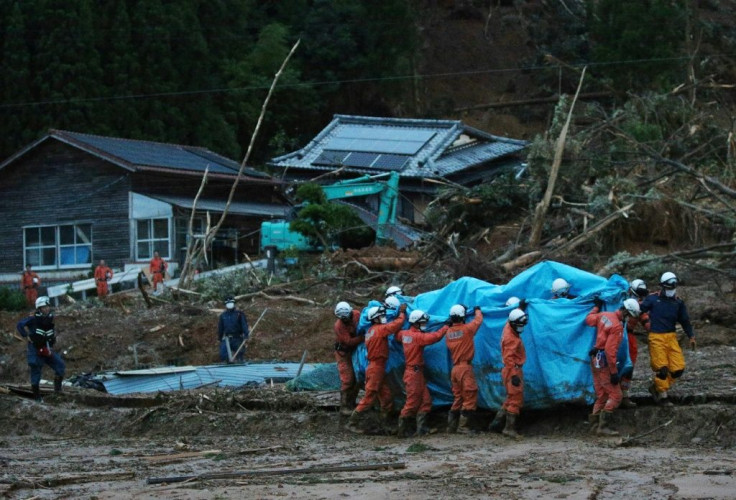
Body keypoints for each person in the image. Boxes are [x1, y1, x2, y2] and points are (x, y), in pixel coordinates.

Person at [347, 303, 407, 434]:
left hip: (377, 367)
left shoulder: (370, 331)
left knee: (386, 396)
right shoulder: (379, 330)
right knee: (370, 396)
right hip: (376, 367)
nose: (384, 317)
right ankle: (352, 422)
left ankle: (384, 424)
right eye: (381, 316)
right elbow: (395, 325)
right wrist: (402, 313)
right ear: (375, 318)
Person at [584, 297, 641, 436]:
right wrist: (614, 373)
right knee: (616, 395)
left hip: (595, 359)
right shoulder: (617, 327)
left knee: (602, 395)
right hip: (604, 362)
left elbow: (589, 319)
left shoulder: (605, 315)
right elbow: (610, 352)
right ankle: (603, 427)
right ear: (627, 313)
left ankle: (594, 426)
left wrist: (596, 307)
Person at [640, 272, 696, 407]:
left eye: (674, 287)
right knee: (662, 368)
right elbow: (638, 309)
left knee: (678, 369)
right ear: (663, 286)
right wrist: (644, 320)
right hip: (656, 337)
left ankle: (656, 386)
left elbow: (684, 320)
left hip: (671, 337)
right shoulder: (653, 299)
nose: (672, 290)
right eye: (669, 287)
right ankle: (663, 395)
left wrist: (691, 336)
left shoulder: (678, 302)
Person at [395, 310, 448, 437]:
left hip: (414, 372)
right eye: (423, 322)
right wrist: (446, 326)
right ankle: (402, 431)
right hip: (414, 373)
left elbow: (397, 335)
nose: (425, 324)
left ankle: (421, 429)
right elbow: (434, 337)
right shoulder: (417, 337)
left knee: (426, 401)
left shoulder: (404, 334)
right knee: (412, 402)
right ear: (416, 323)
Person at [16, 296, 66, 400]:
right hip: (35, 350)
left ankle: (58, 391)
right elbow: (20, 325)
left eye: (47, 306)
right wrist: (26, 336)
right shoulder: (33, 319)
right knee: (36, 371)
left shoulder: (49, 319)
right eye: (43, 307)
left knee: (60, 366)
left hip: (46, 349)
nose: (46, 309)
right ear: (39, 309)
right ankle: (37, 398)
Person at [445, 304, 483, 434]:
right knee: (470, 395)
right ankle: (463, 427)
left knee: (458, 397)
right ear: (462, 317)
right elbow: (478, 321)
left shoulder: (448, 332)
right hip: (465, 368)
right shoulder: (467, 329)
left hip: (455, 369)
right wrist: (477, 309)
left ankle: (451, 426)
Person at [490, 308, 528, 439]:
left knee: (510, 398)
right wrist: (514, 376)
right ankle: (508, 428)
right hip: (513, 369)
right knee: (515, 399)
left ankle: (496, 424)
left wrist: (520, 309)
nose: (521, 327)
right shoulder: (511, 339)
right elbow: (508, 358)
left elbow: (513, 318)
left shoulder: (508, 326)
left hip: (510, 369)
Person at [620, 279, 650, 408]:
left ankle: (624, 394)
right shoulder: (618, 299)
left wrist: (655, 330)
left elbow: (645, 320)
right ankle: (611, 395)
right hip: (615, 333)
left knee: (629, 365)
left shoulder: (640, 306)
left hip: (629, 335)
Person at [333, 301, 365, 416]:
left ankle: (352, 403)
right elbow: (348, 341)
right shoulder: (339, 325)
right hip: (344, 353)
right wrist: (363, 338)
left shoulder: (357, 315)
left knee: (357, 377)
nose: (345, 320)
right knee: (348, 379)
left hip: (356, 350)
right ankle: (344, 406)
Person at [218, 296, 249, 363]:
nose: (229, 304)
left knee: (240, 353)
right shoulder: (223, 316)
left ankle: (240, 363)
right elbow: (220, 328)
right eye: (228, 303)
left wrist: (246, 334)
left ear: (234, 303)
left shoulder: (239, 314)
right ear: (225, 304)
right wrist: (220, 338)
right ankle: (226, 364)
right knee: (223, 354)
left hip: (237, 338)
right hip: (227, 339)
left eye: (231, 302)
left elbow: (244, 325)